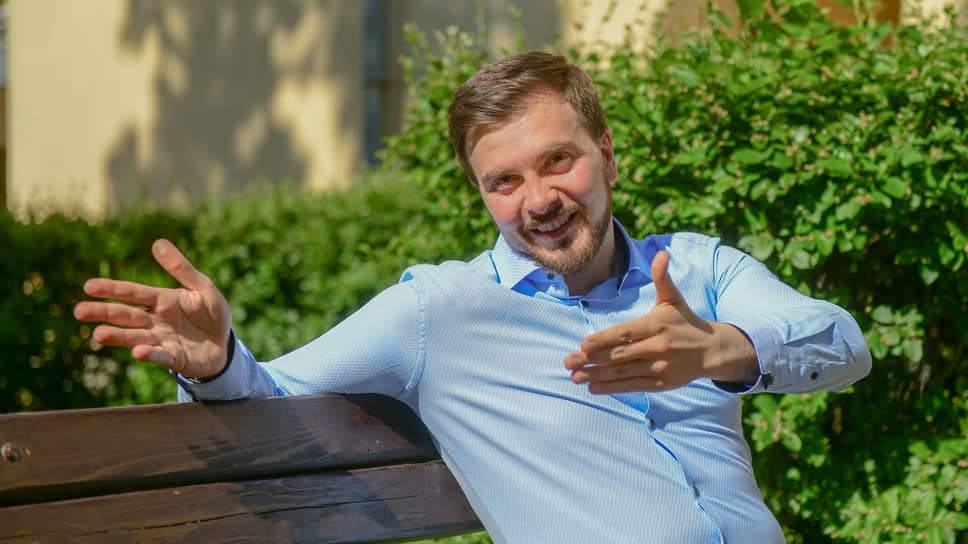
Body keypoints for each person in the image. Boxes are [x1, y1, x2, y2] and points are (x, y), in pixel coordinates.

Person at [74, 51, 871, 543]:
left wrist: (725, 349)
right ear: (481, 194)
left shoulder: (696, 268)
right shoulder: (438, 312)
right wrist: (216, 360)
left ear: (608, 157)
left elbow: (843, 343)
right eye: (504, 181)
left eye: (558, 161)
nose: (538, 200)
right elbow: (274, 397)